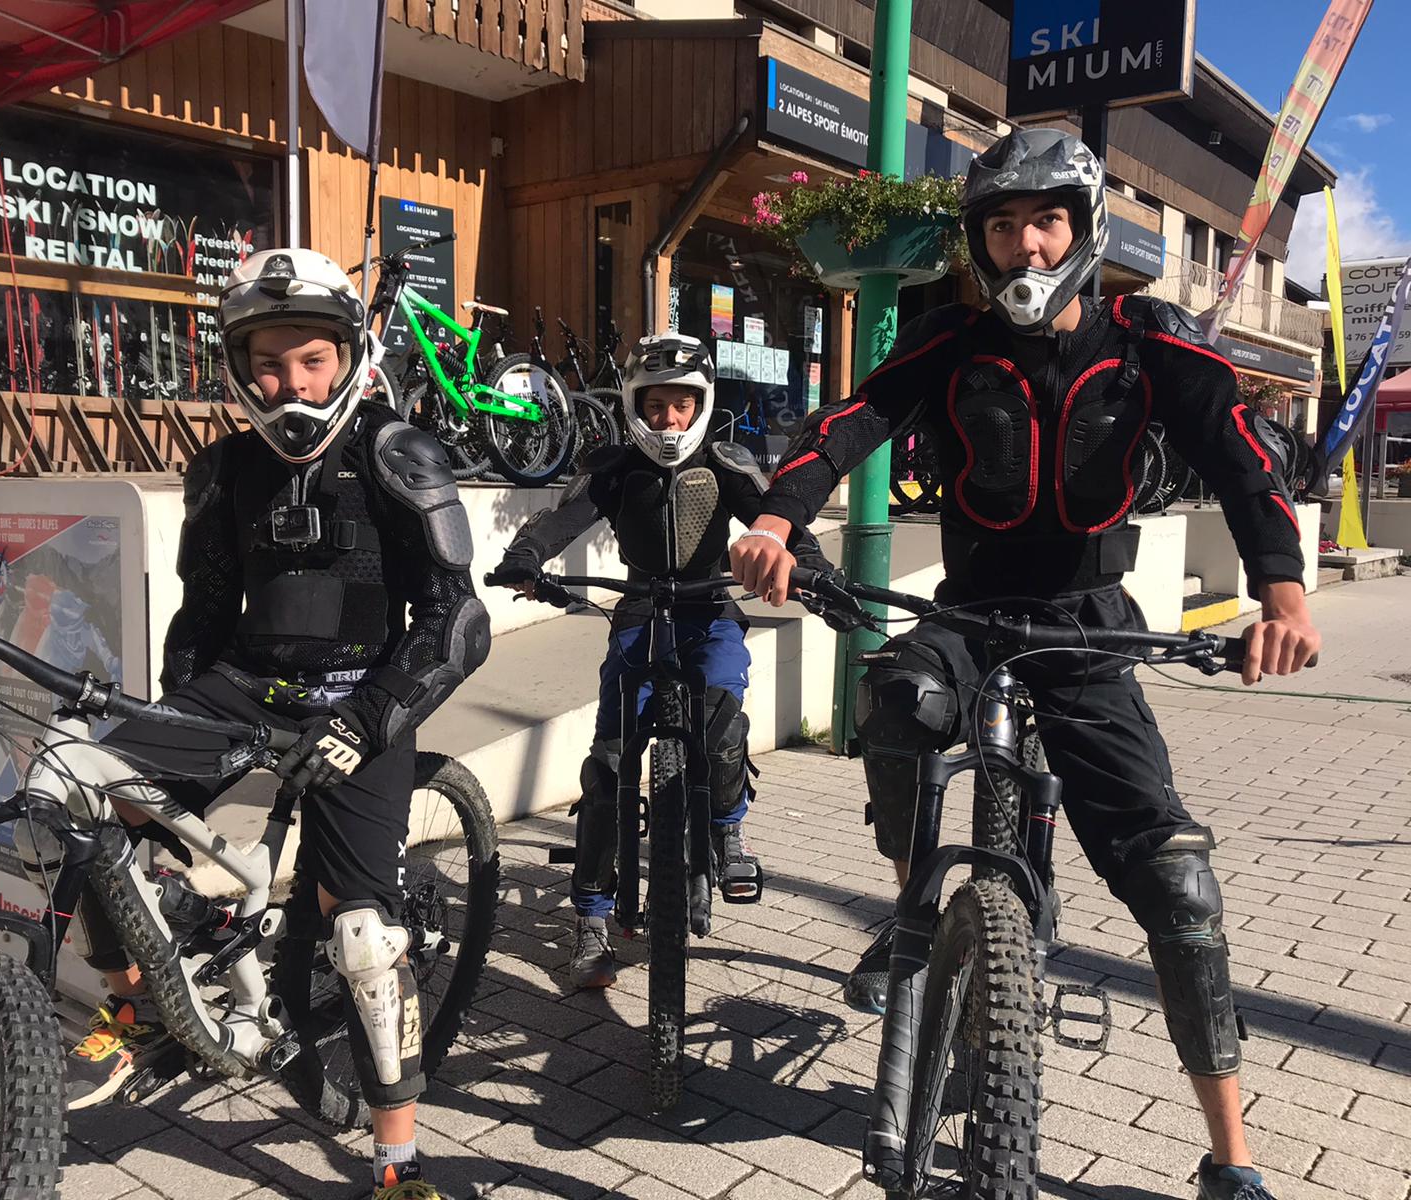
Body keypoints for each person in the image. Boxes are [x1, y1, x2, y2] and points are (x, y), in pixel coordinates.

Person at [730, 130, 1322, 1200]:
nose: (1022, 243)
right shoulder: (949, 338)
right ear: (978, 241)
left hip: (1090, 629)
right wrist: (776, 519)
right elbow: (850, 419)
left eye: (1043, 219)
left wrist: (1281, 590)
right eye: (1000, 225)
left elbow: (1241, 451)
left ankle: (1230, 1158)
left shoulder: (1148, 341)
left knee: (1179, 888)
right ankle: (915, 905)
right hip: (975, 611)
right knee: (899, 699)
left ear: (1082, 229)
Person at [60, 248, 490, 1200]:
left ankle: (397, 1159)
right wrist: (162, 732)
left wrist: (372, 718)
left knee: (366, 937)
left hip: (362, 699)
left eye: (311, 361)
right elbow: (203, 617)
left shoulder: (398, 452)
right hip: (245, 686)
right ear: (236, 366)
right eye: (267, 363)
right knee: (77, 788)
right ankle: (134, 1015)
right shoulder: (219, 469)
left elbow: (458, 620)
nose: (289, 383)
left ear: (350, 355)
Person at [491, 333, 837, 988]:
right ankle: (590, 917)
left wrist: (816, 575)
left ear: (702, 403)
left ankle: (730, 831)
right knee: (609, 769)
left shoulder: (726, 462)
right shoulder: (612, 467)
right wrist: (526, 558)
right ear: (633, 405)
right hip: (639, 616)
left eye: (682, 404)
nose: (669, 420)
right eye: (655, 405)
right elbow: (561, 521)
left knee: (724, 719)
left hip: (710, 617)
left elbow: (777, 521)